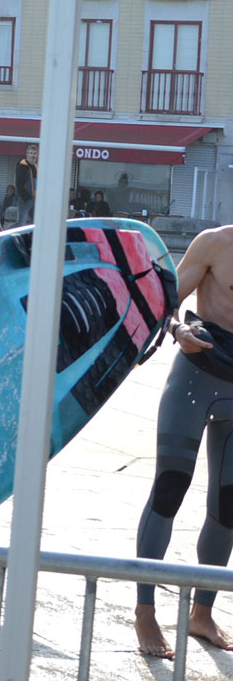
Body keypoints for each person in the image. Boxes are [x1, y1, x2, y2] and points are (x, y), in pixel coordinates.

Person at [134, 225, 233, 659]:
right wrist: (178, 332)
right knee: (170, 486)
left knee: (228, 504)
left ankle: (201, 612)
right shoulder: (215, 242)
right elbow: (164, 303)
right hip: (196, 372)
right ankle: (144, 610)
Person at [15, 142, 38, 225]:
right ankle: (9, 234)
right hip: (24, 199)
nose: (33, 155)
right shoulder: (22, 166)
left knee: (35, 222)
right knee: (21, 222)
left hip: (34, 199)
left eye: (35, 153)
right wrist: (25, 197)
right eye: (31, 153)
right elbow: (19, 184)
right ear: (27, 154)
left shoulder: (35, 167)